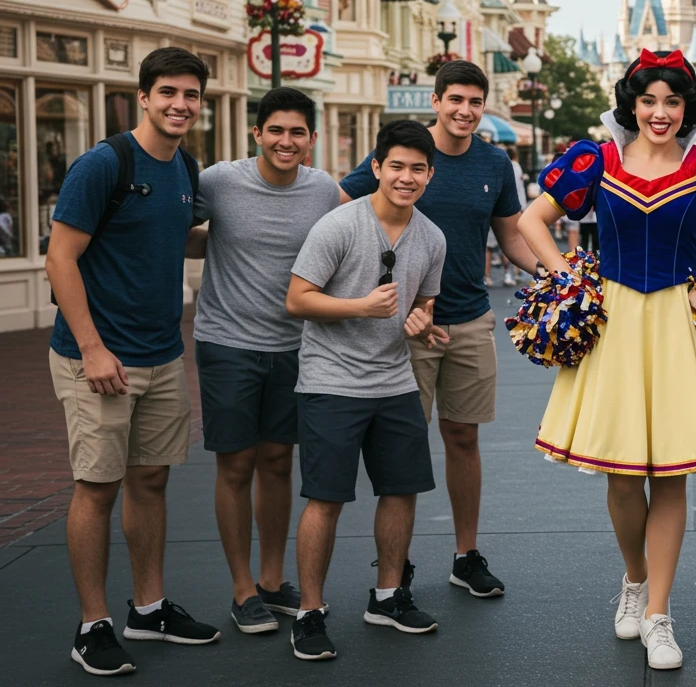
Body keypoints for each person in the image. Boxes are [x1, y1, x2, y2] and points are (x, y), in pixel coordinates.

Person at [518, 49, 696, 670]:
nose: (660, 112)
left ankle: (660, 614)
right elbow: (535, 219)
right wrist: (568, 279)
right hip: (613, 324)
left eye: (672, 101)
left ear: (686, 107)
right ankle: (635, 579)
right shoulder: (598, 160)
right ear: (632, 106)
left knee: (670, 473)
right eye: (649, 101)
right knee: (620, 473)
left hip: (675, 324)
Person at [46, 47, 220, 677]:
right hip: (97, 357)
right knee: (97, 488)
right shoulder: (105, 164)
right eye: (168, 92)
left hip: (161, 353)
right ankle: (92, 626)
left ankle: (148, 609)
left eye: (191, 95)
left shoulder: (185, 168)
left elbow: (181, 238)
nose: (180, 104)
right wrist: (92, 348)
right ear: (143, 96)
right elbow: (59, 258)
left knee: (151, 482)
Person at [339, 60, 539, 598]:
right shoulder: (407, 153)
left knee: (463, 438)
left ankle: (465, 555)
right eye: (456, 100)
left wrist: (558, 274)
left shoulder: (495, 164)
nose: (465, 111)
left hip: (469, 318)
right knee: (401, 448)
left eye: (475, 102)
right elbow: (344, 211)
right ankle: (394, 568)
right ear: (436, 100)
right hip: (405, 325)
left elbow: (512, 238)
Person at [285, 120, 447, 662]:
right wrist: (361, 306)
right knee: (325, 499)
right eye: (396, 166)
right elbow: (298, 299)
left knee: (401, 490)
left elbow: (425, 304)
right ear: (376, 168)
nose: (406, 177)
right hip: (331, 380)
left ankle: (387, 596)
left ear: (430, 174)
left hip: (394, 379)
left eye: (417, 168)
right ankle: (310, 612)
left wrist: (423, 323)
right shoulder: (338, 226)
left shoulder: (432, 237)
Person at [186, 87, 339, 633]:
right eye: (275, 130)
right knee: (236, 464)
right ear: (256, 134)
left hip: (297, 345)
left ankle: (273, 582)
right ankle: (242, 589)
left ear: (312, 140)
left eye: (297, 132)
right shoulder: (219, 181)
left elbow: (355, 238)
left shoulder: (323, 190)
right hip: (227, 341)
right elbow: (176, 230)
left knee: (278, 461)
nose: (286, 141)